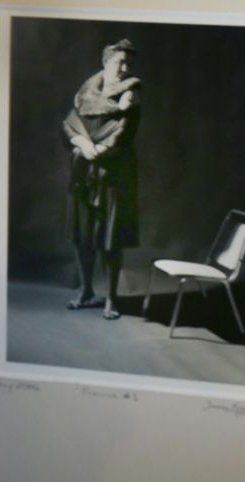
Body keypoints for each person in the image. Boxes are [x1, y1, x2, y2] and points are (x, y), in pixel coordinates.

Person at [63, 39, 141, 320]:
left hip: (113, 174)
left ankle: (111, 298)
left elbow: (123, 132)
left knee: (110, 239)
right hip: (84, 172)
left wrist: (100, 150)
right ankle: (86, 291)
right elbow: (69, 123)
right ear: (106, 62)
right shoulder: (86, 92)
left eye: (128, 63)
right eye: (119, 62)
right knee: (82, 236)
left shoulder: (131, 94)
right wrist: (82, 142)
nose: (124, 68)